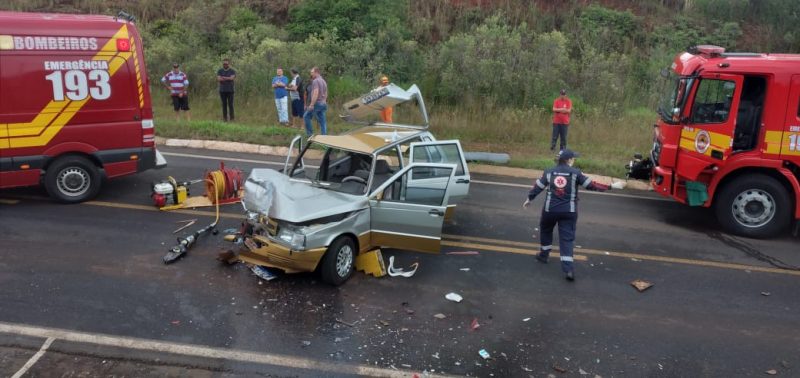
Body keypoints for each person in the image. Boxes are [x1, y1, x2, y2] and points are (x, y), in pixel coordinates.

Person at [523, 149, 610, 281]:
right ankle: (568, 270)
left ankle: (544, 255)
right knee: (566, 239)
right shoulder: (575, 173)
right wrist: (610, 186)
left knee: (546, 231)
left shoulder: (549, 172)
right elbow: (591, 185)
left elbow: (538, 187)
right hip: (569, 212)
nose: (574, 160)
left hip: (550, 211)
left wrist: (529, 198)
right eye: (573, 158)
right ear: (568, 160)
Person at [304, 66, 328, 135]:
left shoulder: (315, 81)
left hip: (317, 103)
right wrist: (324, 101)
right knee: (322, 121)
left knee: (306, 116)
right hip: (323, 103)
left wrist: (311, 104)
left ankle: (310, 135)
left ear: (316, 72)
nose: (311, 74)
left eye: (312, 72)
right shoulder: (323, 81)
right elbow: (326, 92)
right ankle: (324, 136)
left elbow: (316, 92)